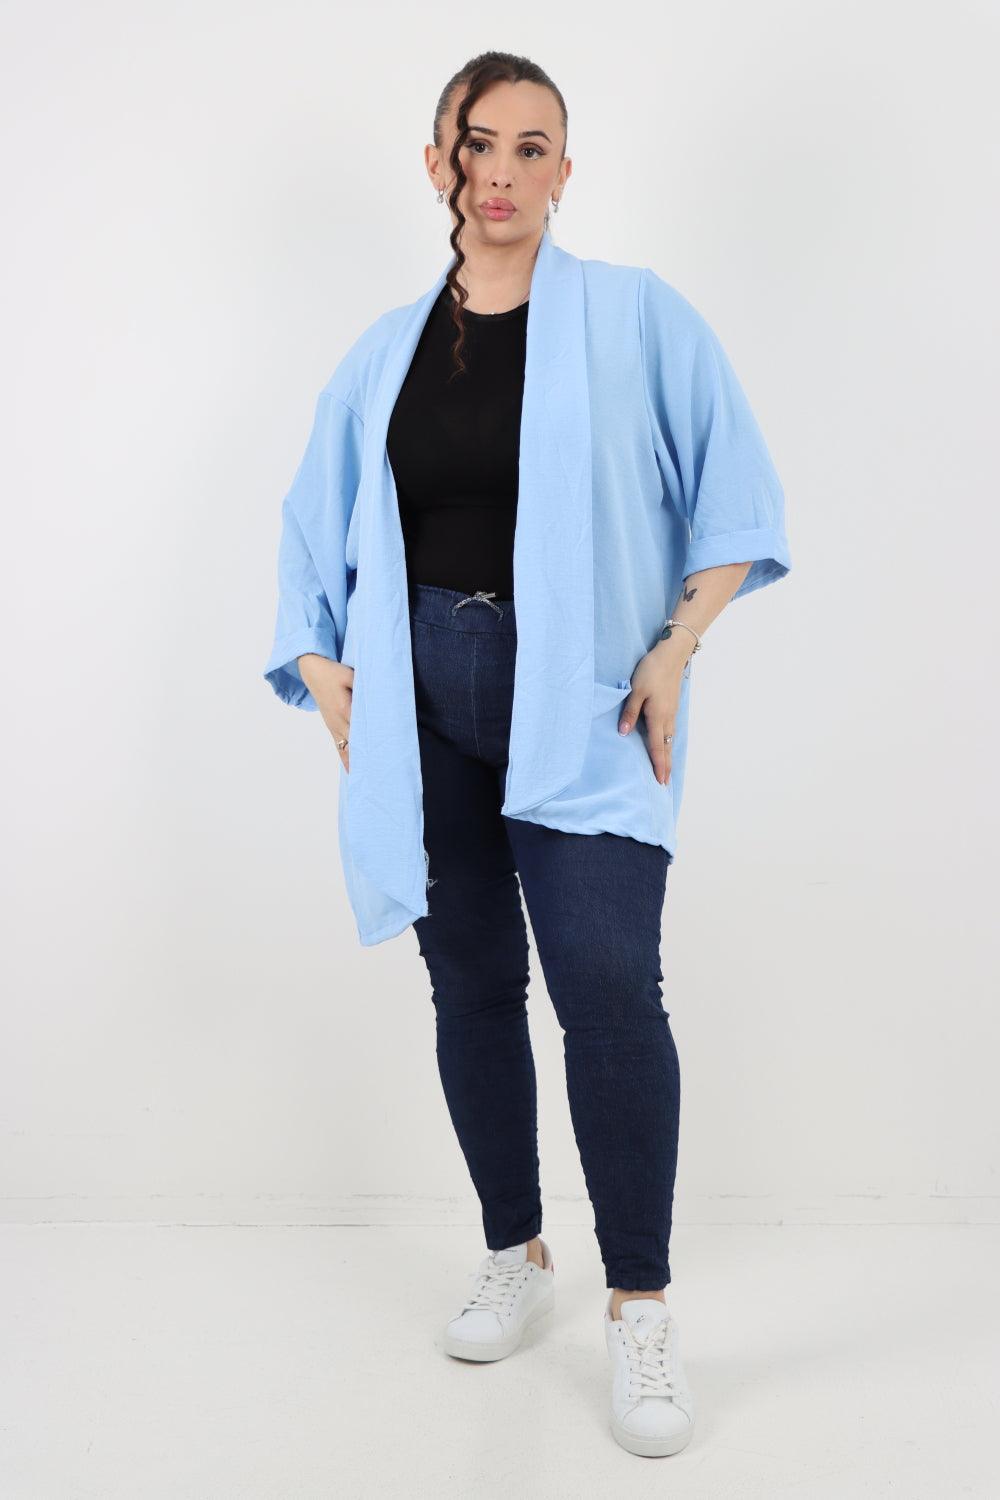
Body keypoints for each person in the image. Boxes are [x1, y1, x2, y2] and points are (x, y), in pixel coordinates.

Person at [263, 51, 792, 1459]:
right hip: (422, 708)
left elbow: (736, 488)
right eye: (478, 142)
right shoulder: (386, 351)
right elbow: (314, 520)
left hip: (587, 704)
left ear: (566, 169)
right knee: (474, 985)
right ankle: (515, 1250)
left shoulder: (633, 316)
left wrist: (678, 645)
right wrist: (318, 660)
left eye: (531, 147)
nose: (501, 171)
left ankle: (641, 1306)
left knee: (609, 989)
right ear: (439, 160)